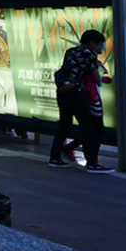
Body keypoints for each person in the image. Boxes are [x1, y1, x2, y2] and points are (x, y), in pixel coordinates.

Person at [49, 30, 114, 173]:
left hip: (63, 91)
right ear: (92, 43)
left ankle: (54, 158)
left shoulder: (71, 51)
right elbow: (96, 78)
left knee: (64, 126)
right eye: (100, 44)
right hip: (77, 94)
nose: (101, 48)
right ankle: (92, 163)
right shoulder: (90, 55)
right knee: (89, 128)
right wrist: (102, 77)